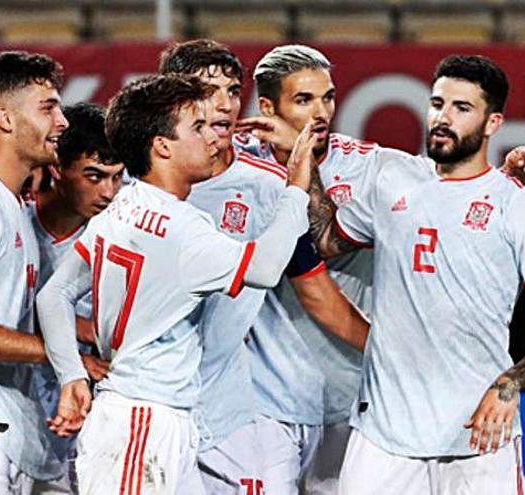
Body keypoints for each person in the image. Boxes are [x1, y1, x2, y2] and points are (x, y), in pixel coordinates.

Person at [237, 44, 525, 495]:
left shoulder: (376, 167)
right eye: (304, 100)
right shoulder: (229, 170)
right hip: (265, 400)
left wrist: (506, 174)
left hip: (356, 401)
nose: (321, 112)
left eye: (328, 97)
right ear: (268, 108)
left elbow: (452, 188)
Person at [36, 74, 313, 494]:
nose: (212, 138)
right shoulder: (182, 229)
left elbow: (54, 294)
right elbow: (265, 268)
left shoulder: (122, 205)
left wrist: (71, 375)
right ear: (162, 146)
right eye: (197, 128)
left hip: (147, 415)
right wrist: (295, 190)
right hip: (143, 424)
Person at [156, 39, 370, 495]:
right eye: (206, 92)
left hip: (258, 408)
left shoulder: (270, 187)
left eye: (233, 91)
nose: (224, 105)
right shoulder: (140, 188)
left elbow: (317, 290)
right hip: (161, 404)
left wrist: (396, 354)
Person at [0, 50, 68, 494]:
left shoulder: (8, 200)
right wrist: (57, 352)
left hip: (7, 429)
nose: (61, 122)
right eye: (47, 108)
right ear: (5, 119)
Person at [29, 101, 123, 493]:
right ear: (57, 168)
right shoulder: (13, 215)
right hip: (10, 414)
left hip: (85, 424)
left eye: (117, 177)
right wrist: (74, 335)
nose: (108, 192)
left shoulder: (122, 231)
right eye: (94, 176)